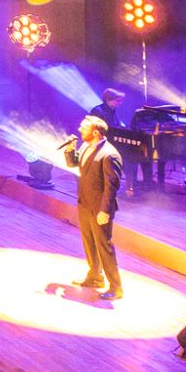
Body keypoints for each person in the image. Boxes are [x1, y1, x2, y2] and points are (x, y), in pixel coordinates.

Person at [60, 114, 124, 299]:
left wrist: (104, 210)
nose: (80, 129)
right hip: (85, 204)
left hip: (99, 208)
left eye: (84, 127)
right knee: (89, 242)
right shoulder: (86, 147)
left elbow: (111, 186)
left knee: (104, 246)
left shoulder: (109, 154)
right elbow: (73, 163)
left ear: (95, 132)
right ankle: (95, 277)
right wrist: (70, 150)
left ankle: (116, 287)